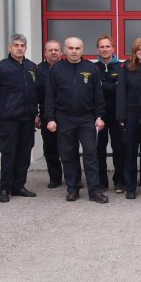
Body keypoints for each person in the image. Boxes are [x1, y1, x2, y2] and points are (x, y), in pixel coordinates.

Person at [45, 37, 108, 203]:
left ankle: (94, 190)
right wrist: (50, 118)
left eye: (77, 48)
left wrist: (99, 116)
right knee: (68, 155)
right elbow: (49, 96)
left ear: (82, 49)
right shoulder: (56, 69)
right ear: (65, 50)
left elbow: (98, 95)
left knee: (91, 155)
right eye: (71, 48)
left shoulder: (91, 68)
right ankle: (73, 188)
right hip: (64, 118)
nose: (74, 51)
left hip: (87, 119)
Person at [0, 34, 39, 203]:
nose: (19, 48)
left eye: (22, 45)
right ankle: (5, 188)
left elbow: (36, 91)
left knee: (24, 153)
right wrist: (3, 110)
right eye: (16, 45)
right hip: (9, 119)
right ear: (9, 48)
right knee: (9, 154)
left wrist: (35, 113)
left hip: (27, 118)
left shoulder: (32, 67)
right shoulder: (0, 67)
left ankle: (19, 186)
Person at [116, 37, 141, 199]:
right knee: (130, 152)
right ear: (134, 51)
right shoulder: (126, 67)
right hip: (131, 114)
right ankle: (131, 187)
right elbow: (121, 93)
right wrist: (121, 117)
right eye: (139, 49)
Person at [95, 35, 125, 193]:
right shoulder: (92, 68)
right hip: (99, 115)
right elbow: (94, 90)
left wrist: (102, 85)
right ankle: (101, 181)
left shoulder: (121, 67)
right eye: (102, 47)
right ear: (98, 50)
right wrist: (112, 86)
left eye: (107, 46)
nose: (105, 49)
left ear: (113, 48)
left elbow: (121, 89)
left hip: (116, 113)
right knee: (99, 149)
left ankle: (119, 180)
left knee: (119, 147)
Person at [36, 39, 65, 188]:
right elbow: (32, 94)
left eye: (56, 50)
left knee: (69, 148)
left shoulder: (68, 67)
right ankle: (55, 178)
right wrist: (36, 114)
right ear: (45, 52)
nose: (53, 52)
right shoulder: (38, 70)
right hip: (47, 113)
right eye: (50, 50)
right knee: (50, 148)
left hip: (65, 114)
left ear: (61, 52)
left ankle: (74, 178)